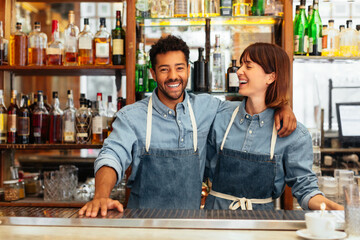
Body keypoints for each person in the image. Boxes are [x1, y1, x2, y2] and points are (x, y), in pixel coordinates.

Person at [79, 36, 297, 217]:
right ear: (153, 73)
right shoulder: (131, 116)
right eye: (164, 70)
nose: (173, 76)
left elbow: (253, 109)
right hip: (143, 227)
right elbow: (112, 155)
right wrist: (101, 195)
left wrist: (282, 106)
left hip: (191, 226)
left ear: (188, 70)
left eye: (179, 68)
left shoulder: (208, 107)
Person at [204, 42, 343, 211]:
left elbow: (305, 188)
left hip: (262, 226)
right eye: (241, 65)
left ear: (271, 77)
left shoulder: (294, 134)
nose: (239, 71)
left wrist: (336, 209)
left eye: (248, 66)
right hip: (215, 223)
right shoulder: (220, 116)